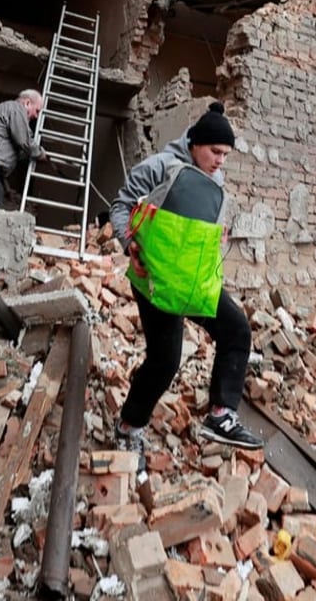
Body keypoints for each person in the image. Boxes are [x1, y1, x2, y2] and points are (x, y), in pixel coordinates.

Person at [108, 101, 263, 468]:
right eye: (215, 151)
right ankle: (129, 426)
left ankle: (221, 414)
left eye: (225, 154)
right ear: (195, 142)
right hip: (154, 278)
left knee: (237, 330)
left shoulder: (215, 179)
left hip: (193, 280)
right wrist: (128, 242)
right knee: (164, 361)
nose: (220, 160)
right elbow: (121, 205)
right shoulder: (159, 167)